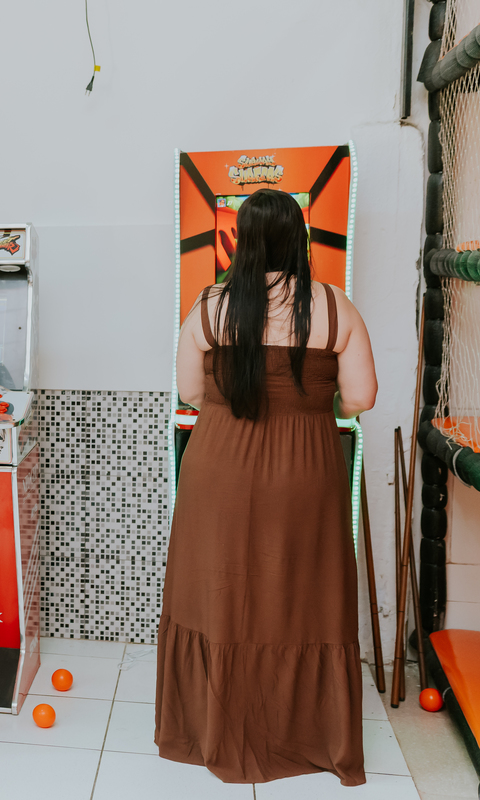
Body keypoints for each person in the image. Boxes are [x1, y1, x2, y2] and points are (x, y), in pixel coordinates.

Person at [159, 189, 377, 785]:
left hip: (220, 468)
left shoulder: (209, 306)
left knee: (222, 593)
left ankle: (215, 730)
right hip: (307, 468)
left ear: (243, 241)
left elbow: (189, 394)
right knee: (302, 596)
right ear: (300, 239)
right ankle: (303, 736)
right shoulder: (336, 308)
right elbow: (360, 399)